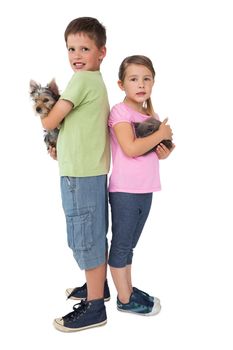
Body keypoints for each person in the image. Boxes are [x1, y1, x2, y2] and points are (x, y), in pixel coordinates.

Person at [40, 17, 110, 332]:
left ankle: (95, 307)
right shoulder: (91, 81)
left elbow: (50, 119)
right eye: (71, 48)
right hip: (84, 171)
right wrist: (61, 146)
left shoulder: (81, 80)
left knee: (86, 236)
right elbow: (73, 125)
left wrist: (45, 112)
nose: (76, 55)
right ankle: (98, 287)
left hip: (81, 176)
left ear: (101, 52)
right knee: (89, 231)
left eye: (85, 48)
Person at [107, 55, 175, 315]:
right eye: (133, 79)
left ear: (153, 82)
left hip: (146, 189)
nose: (141, 84)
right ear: (121, 84)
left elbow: (150, 149)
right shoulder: (120, 112)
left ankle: (129, 289)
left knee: (130, 245)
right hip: (125, 190)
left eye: (146, 78)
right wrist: (160, 134)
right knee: (121, 244)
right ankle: (124, 299)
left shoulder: (150, 114)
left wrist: (163, 150)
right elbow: (131, 148)